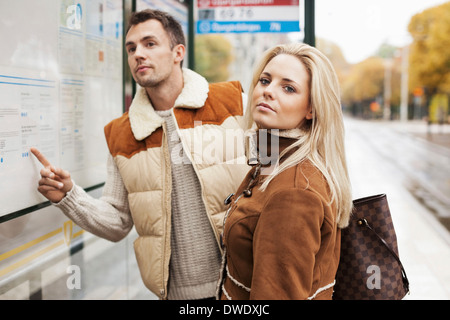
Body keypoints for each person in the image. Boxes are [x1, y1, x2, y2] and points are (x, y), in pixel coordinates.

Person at [30, 9, 249, 300]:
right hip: (175, 295)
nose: (138, 54)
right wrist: (70, 196)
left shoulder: (234, 103)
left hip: (244, 286)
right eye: (131, 48)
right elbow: (118, 220)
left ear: (178, 52)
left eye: (150, 44)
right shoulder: (122, 133)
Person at [216, 43, 353, 300]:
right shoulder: (272, 161)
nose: (268, 91)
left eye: (288, 88)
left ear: (312, 109)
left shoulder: (294, 192)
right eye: (265, 80)